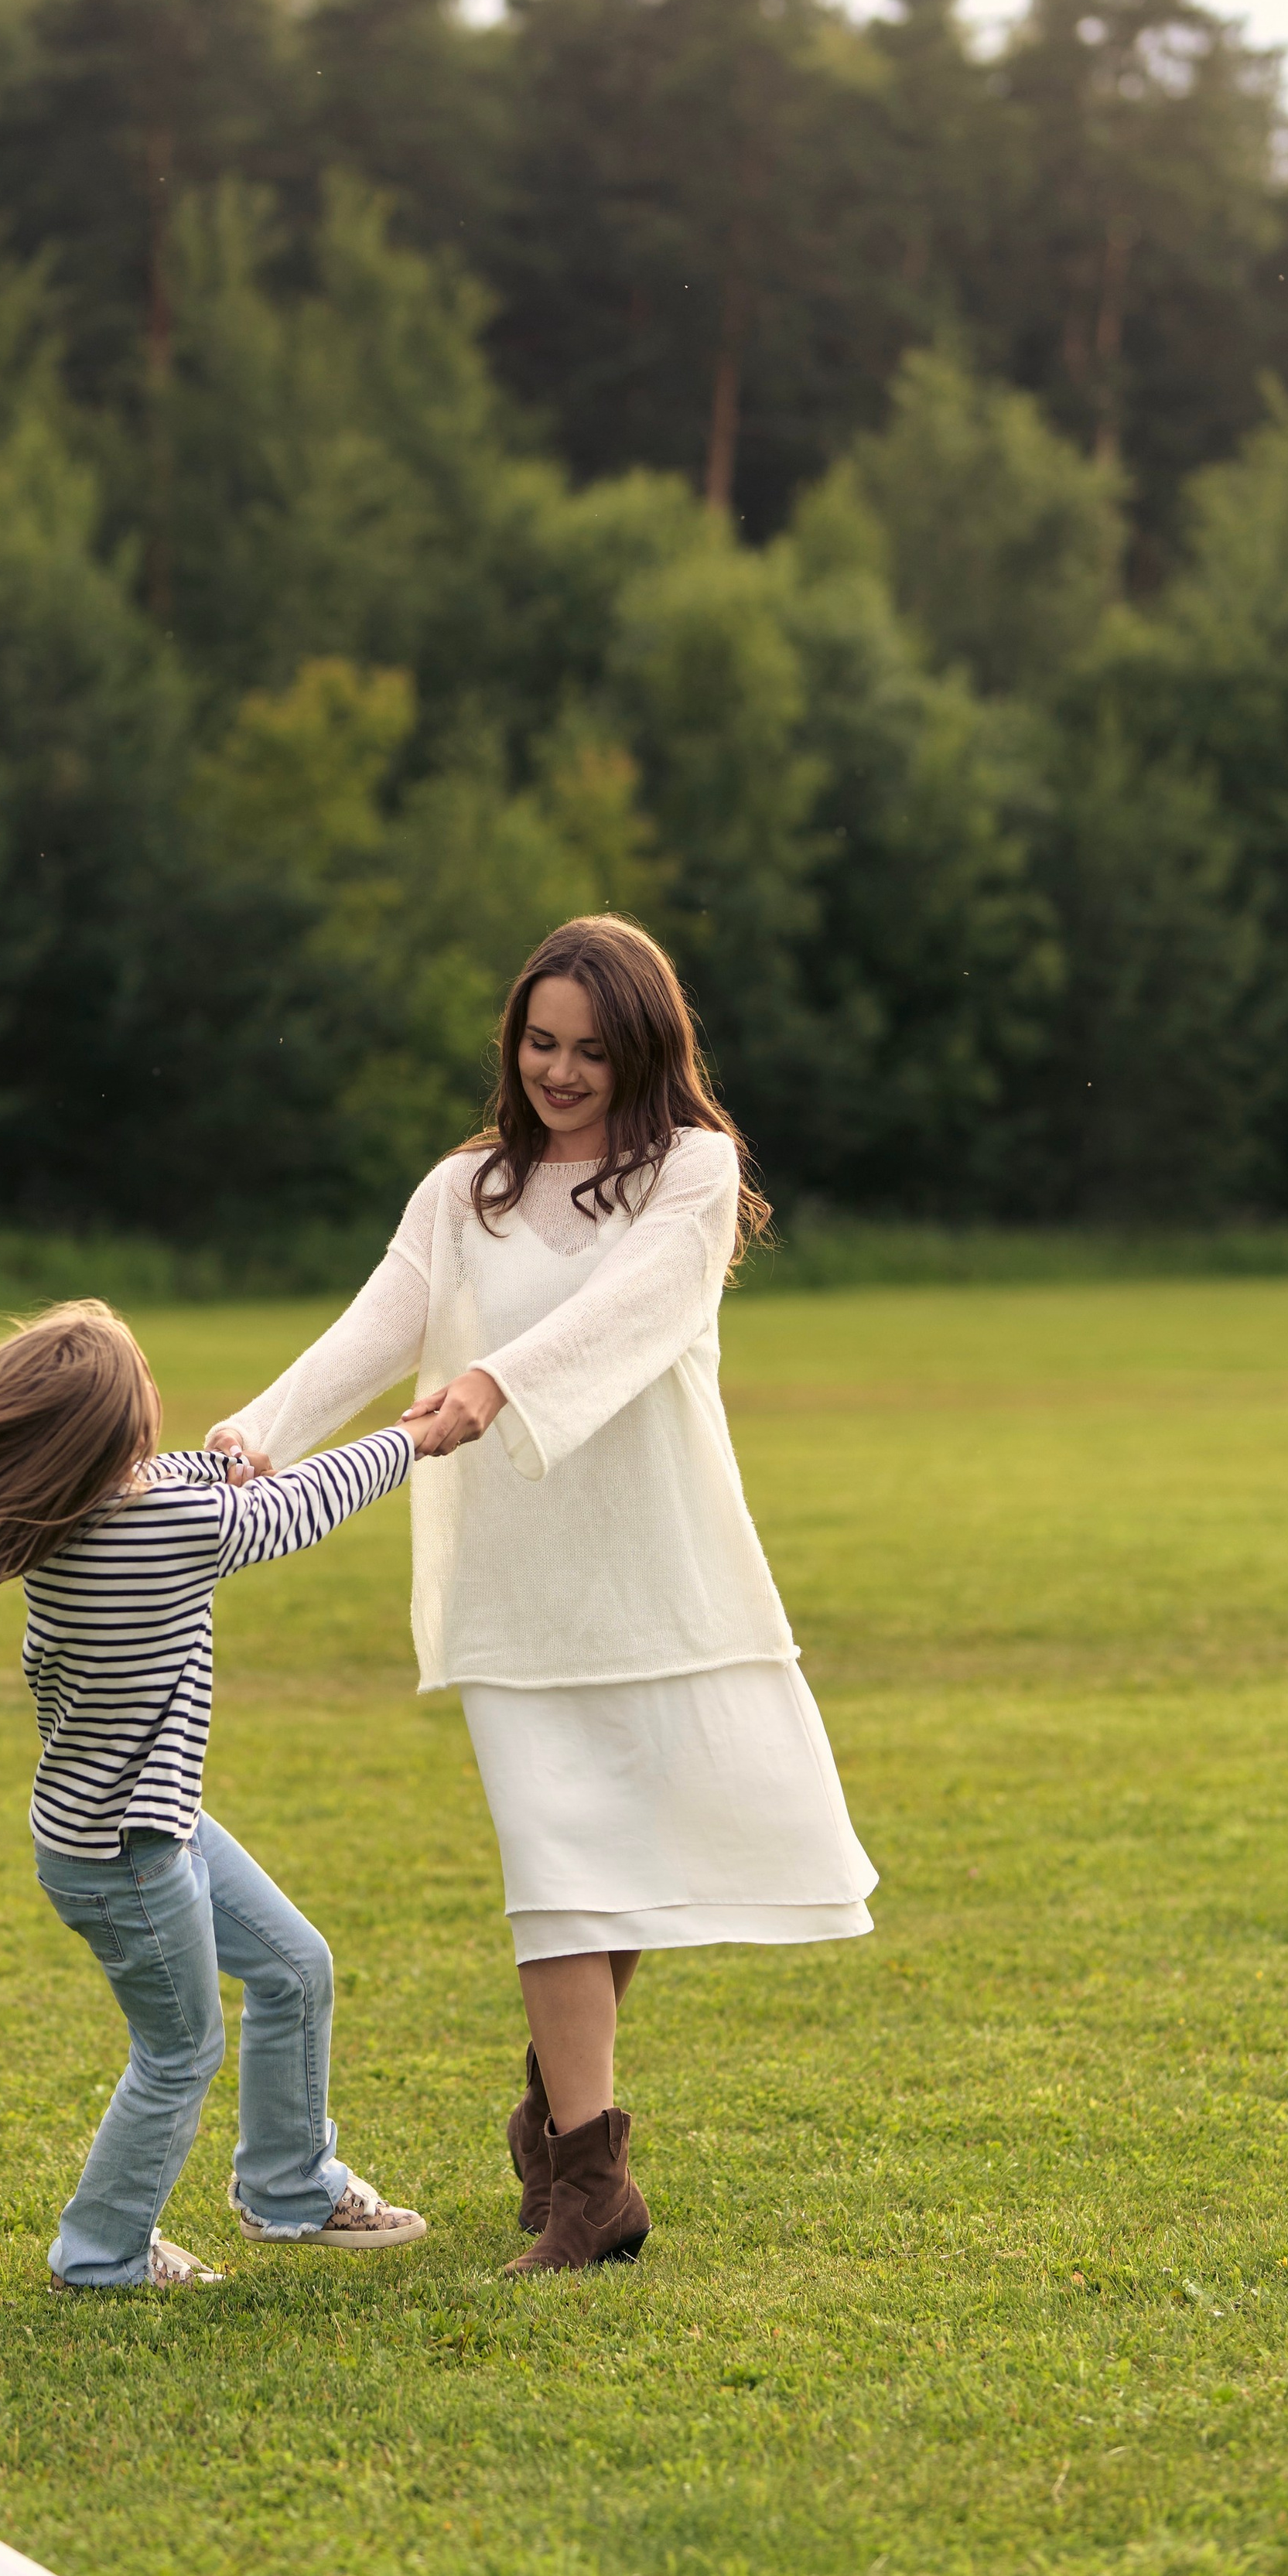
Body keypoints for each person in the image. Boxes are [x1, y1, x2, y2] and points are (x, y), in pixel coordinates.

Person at [207, 916, 877, 2276]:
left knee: (625, 1856)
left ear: (645, 1051)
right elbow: (381, 1319)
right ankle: (593, 2180)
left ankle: (554, 2115)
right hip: (515, 1583)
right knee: (561, 1866)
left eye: (590, 1049)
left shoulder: (693, 1170)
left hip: (661, 1564)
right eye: (540, 1042)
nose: (560, 1071)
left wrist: (496, 1383)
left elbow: (633, 1312)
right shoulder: (466, 1190)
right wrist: (259, 1430)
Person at [0, 1301, 428, 2292]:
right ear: (113, 1433)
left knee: (293, 1968)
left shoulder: (61, 1517)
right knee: (179, 2053)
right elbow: (296, 1505)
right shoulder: (167, 1526)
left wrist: (226, 1452)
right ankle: (99, 2257)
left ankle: (292, 2188)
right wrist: (414, 1437)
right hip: (129, 1852)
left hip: (135, 1826)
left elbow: (177, 1486)